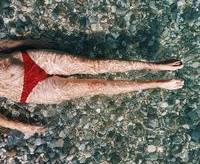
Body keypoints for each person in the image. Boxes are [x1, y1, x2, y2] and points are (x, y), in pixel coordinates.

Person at [0, 38, 184, 136]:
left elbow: (4, 43)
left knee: (95, 65)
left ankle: (155, 65)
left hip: (27, 59)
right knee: (96, 86)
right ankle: (155, 84)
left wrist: (31, 42)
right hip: (29, 90)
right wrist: (22, 126)